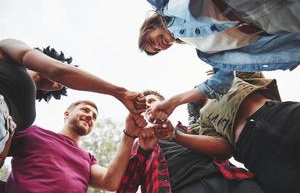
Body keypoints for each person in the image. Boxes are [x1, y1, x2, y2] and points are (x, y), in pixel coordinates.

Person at [138, 0, 300, 113]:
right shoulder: (204, 50)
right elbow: (220, 82)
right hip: (265, 24)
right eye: (157, 50)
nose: (159, 45)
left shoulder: (165, 4)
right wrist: (172, 102)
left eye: (152, 42)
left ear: (150, 28)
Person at [0, 38, 145, 166]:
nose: (60, 84)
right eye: (64, 66)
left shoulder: (28, 114)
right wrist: (121, 92)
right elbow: (58, 71)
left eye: (61, 85)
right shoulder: (10, 50)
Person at [152, 72, 300, 193]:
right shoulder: (202, 122)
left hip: (281, 115)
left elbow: (246, 56)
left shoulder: (231, 80)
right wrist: (174, 134)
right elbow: (223, 149)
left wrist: (225, 66)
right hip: (254, 151)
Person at [117, 90, 265, 193]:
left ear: (164, 104)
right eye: (144, 105)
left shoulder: (190, 129)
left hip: (231, 181)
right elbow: (124, 189)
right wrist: (143, 150)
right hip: (183, 188)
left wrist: (175, 134)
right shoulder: (135, 145)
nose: (148, 105)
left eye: (151, 101)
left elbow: (225, 149)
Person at [4, 100, 147, 192]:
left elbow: (110, 182)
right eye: (85, 110)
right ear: (67, 114)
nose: (90, 116)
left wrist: (129, 133)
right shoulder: (33, 133)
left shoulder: (87, 158)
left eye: (94, 116)